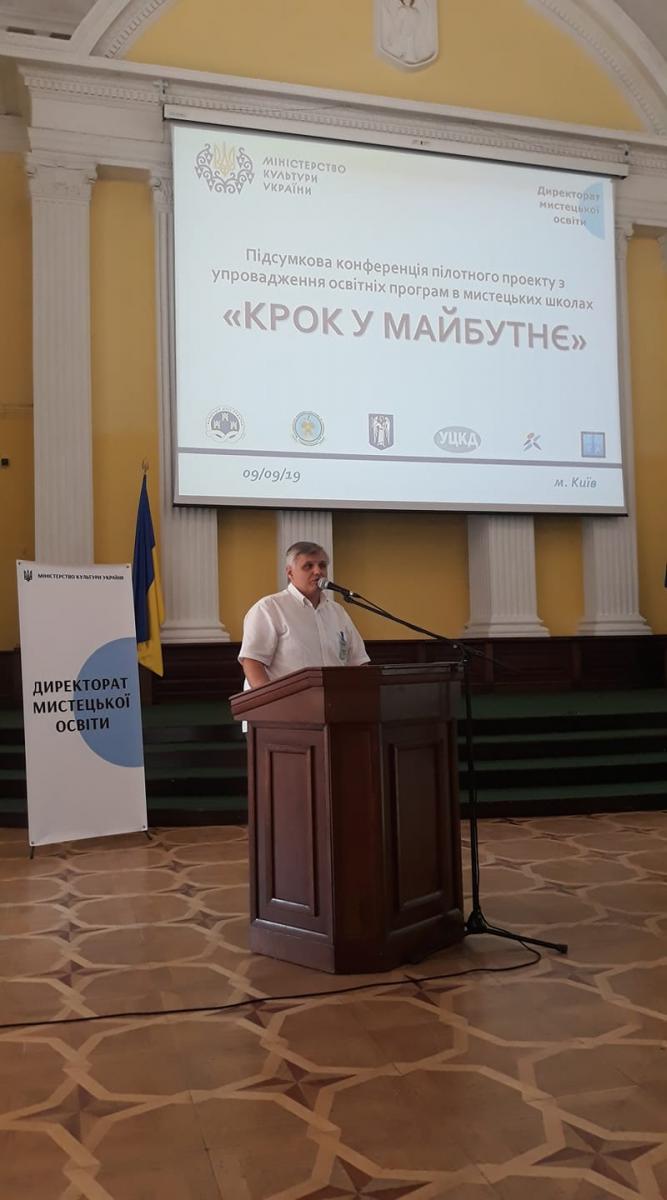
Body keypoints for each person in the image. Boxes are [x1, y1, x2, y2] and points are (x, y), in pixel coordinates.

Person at [239, 541, 369, 688]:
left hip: (334, 698)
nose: (318, 572)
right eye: (308, 566)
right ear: (290, 573)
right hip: (287, 700)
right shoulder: (269, 608)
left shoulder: (338, 612)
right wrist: (269, 700)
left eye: (322, 565)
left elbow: (359, 661)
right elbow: (252, 662)